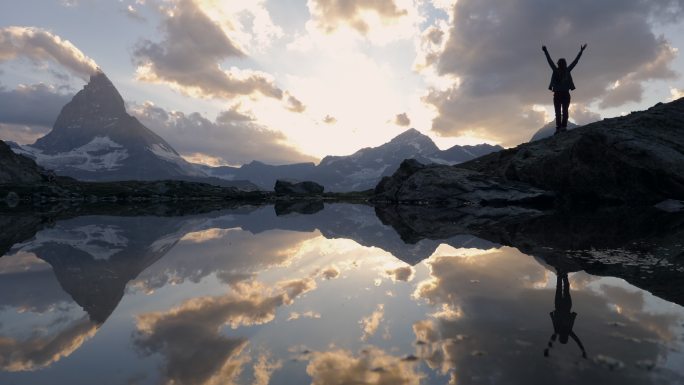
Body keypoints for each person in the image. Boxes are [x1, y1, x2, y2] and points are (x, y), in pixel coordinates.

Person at [542, 44, 587, 134]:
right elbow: (575, 61)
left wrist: (545, 51)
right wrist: (581, 52)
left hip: (560, 94)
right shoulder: (565, 70)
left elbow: (549, 60)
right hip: (564, 94)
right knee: (563, 112)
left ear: (559, 64)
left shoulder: (558, 70)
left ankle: (560, 128)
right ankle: (562, 128)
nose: (561, 65)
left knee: (560, 112)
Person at [544, 270, 587, 358]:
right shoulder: (563, 331)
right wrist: (583, 350)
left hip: (562, 306)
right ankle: (562, 275)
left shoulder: (562, 331)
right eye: (563, 337)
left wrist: (547, 349)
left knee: (563, 289)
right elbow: (577, 341)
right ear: (564, 337)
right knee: (561, 289)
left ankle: (562, 275)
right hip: (562, 306)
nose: (563, 335)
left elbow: (552, 341)